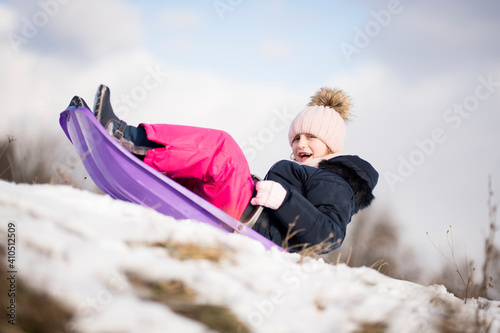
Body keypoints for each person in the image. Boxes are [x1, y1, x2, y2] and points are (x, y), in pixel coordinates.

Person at [69, 84, 378, 253]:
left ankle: (127, 138)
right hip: (248, 215)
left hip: (253, 222)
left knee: (223, 151)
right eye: (296, 136)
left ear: (331, 147)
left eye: (311, 137)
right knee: (194, 169)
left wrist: (285, 200)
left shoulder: (334, 181)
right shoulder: (305, 171)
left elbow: (329, 235)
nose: (300, 143)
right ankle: (135, 157)